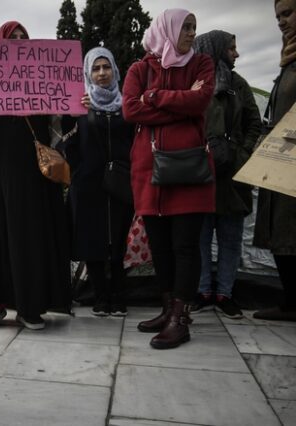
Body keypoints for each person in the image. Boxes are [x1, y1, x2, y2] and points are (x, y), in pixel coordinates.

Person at [0, 21, 72, 331]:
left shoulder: (42, 82)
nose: (19, 42)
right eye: (12, 38)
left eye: (23, 37)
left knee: (30, 241)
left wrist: (76, 103)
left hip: (35, 179)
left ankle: (30, 308)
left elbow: (60, 121)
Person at [122, 9, 215, 349]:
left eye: (194, 26)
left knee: (185, 246)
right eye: (185, 27)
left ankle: (180, 317)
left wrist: (155, 97)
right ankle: (167, 309)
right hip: (149, 173)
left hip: (189, 171)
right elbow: (130, 109)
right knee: (160, 247)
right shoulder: (139, 68)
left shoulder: (202, 64)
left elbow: (200, 100)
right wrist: (180, 103)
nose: (190, 33)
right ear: (167, 29)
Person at [191, 31, 262, 319]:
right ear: (217, 49)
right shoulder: (196, 83)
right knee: (201, 237)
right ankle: (203, 290)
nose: (236, 54)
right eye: (231, 48)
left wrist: (241, 153)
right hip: (201, 173)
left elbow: (254, 123)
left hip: (232, 174)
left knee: (231, 238)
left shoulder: (238, 85)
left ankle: (225, 294)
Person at [66, 47, 134, 317]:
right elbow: (69, 144)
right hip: (88, 184)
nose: (102, 73)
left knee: (118, 241)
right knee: (92, 241)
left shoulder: (127, 105)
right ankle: (101, 296)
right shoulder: (79, 107)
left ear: (115, 69)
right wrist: (78, 173)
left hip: (120, 184)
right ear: (88, 73)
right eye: (96, 68)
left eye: (106, 67)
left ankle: (118, 295)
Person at [253, 0, 296, 322]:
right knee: (281, 232)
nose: (282, 22)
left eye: (289, 13)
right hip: (282, 159)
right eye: (279, 16)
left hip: (290, 157)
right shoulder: (288, 62)